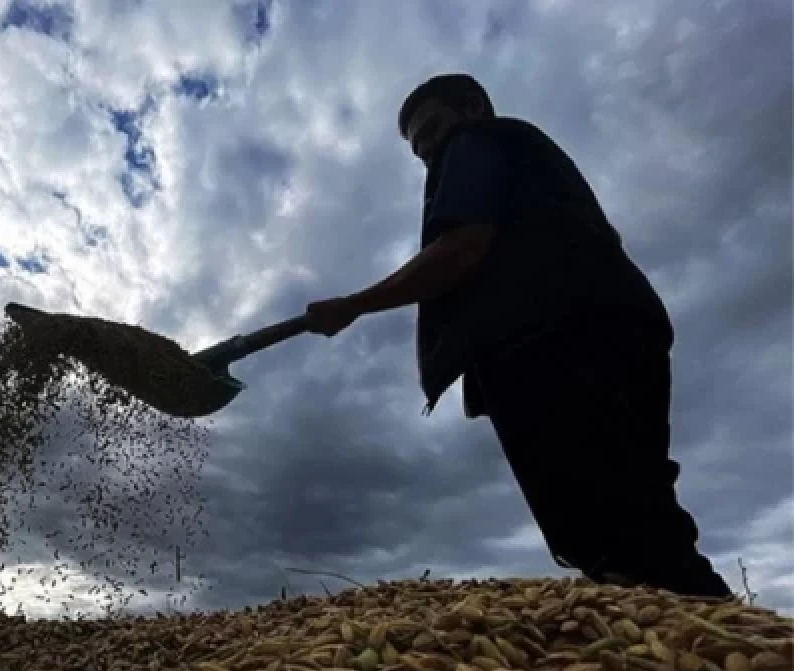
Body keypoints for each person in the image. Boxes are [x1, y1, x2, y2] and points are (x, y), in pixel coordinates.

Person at [304, 73, 732, 599]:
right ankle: (695, 631)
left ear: (472, 108)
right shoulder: (532, 167)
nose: (430, 151)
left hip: (561, 338)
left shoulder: (476, 141)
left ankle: (711, 634)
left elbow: (463, 245)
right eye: (419, 149)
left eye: (433, 131)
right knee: (630, 508)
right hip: (610, 325)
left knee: (614, 522)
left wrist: (352, 305)